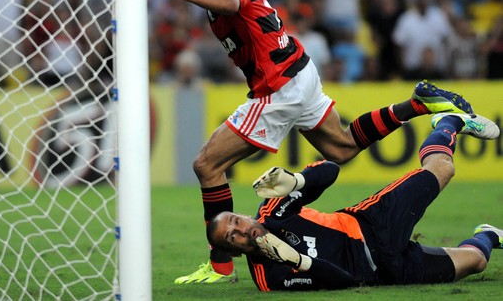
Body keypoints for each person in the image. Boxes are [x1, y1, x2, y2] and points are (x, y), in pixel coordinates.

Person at [147, 0, 474, 285]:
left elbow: (232, 3)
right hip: (298, 73)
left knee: (207, 164)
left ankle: (220, 264)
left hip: (280, 87)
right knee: (343, 147)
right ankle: (419, 104)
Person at [208, 112, 501, 291]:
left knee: (443, 169)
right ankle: (488, 233)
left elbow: (331, 169)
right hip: (388, 272)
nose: (241, 231)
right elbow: (345, 282)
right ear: (234, 253)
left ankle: (450, 121)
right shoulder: (268, 277)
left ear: (244, 215)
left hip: (373, 224)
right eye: (231, 238)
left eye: (236, 222)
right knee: (476, 261)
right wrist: (296, 260)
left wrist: (298, 181)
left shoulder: (274, 210)